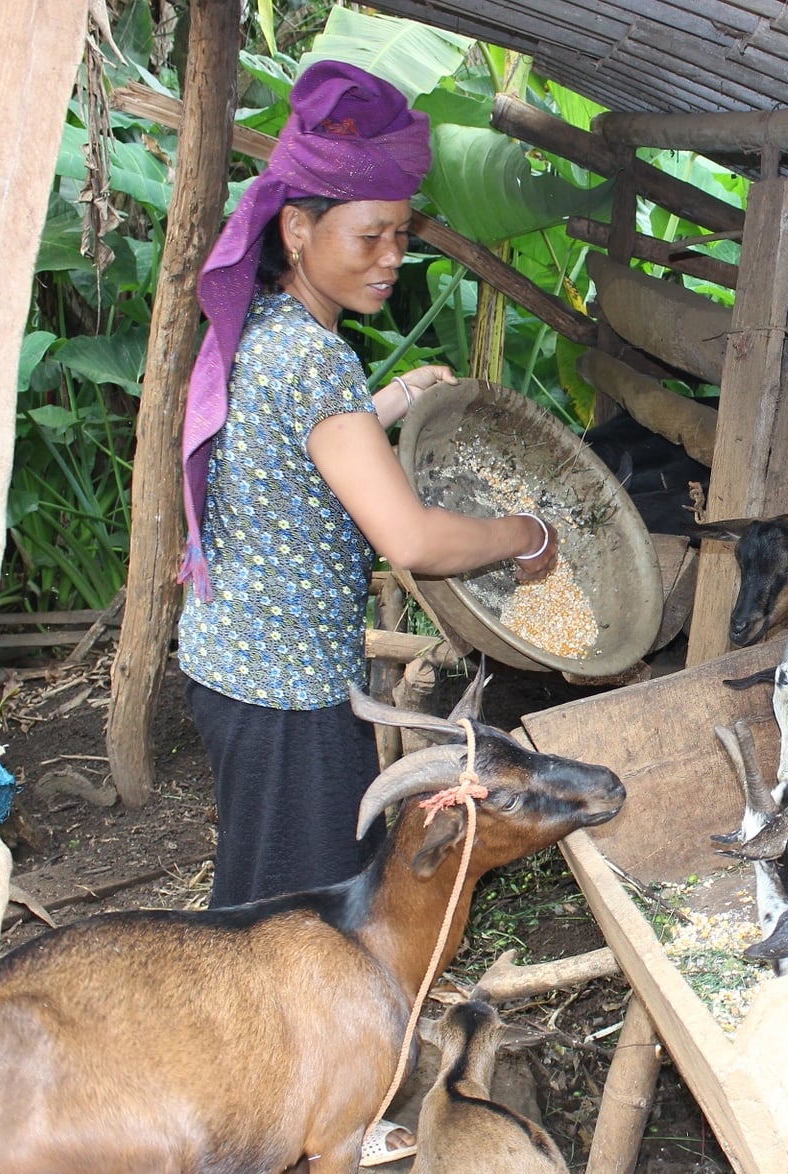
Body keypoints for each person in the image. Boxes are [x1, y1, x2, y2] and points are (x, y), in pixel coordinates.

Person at [176, 60, 556, 910]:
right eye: (369, 236)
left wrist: (387, 400)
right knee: (298, 920)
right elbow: (411, 539)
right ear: (298, 231)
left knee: (267, 895)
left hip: (234, 660)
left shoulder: (269, 327)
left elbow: (291, 448)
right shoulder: (314, 357)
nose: (392, 258)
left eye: (401, 235)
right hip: (284, 688)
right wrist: (522, 534)